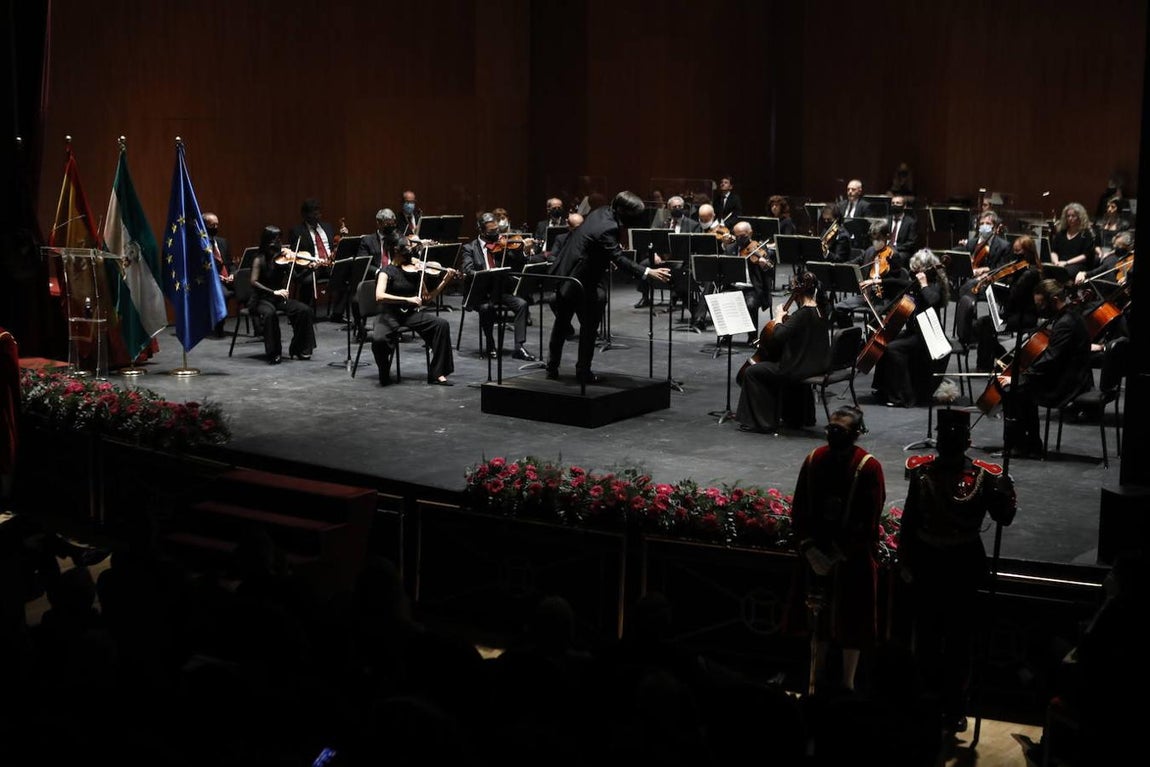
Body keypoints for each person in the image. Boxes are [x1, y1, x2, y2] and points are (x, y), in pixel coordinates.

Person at [898, 408, 1016, 733]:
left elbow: (1004, 517)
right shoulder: (922, 474)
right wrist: (905, 561)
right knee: (925, 640)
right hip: (927, 563)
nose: (949, 441)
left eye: (955, 436)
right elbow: (909, 522)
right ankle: (926, 700)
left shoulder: (984, 476)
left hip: (962, 564)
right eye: (945, 435)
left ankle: (954, 705)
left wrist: (1006, 495)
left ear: (966, 441)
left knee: (959, 643)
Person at [785, 405, 885, 694]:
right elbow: (800, 509)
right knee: (818, 620)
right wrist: (811, 550)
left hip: (851, 558)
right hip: (817, 553)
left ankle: (847, 685)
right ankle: (814, 683)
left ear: (855, 433)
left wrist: (836, 554)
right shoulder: (815, 459)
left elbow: (869, 519)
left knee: (852, 621)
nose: (832, 434)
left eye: (839, 431)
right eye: (830, 429)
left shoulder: (868, 467)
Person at [546, 191, 671, 383]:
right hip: (581, 280)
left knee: (561, 325)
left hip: (567, 273)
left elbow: (595, 245)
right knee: (588, 328)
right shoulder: (609, 226)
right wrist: (647, 272)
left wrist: (605, 256)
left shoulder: (601, 211)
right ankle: (583, 372)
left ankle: (551, 368)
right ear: (623, 210)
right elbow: (618, 257)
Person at [998, 278, 1093, 457]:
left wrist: (1020, 377)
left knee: (1013, 388)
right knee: (1021, 386)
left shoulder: (1066, 323)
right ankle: (1030, 443)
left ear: (1055, 300)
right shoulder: (1068, 315)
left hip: (1068, 383)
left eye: (1041, 304)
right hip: (1067, 373)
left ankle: (1023, 445)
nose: (1039, 309)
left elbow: (1051, 359)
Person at [735, 271, 829, 433]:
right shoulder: (820, 310)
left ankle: (762, 422)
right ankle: (798, 417)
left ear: (799, 290)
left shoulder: (802, 315)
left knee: (752, 372)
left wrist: (779, 317)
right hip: (817, 365)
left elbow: (778, 335)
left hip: (797, 368)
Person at [871, 249, 950, 408]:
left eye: (917, 269)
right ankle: (883, 389)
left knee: (893, 349)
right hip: (916, 331)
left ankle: (904, 397)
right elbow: (903, 284)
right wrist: (878, 282)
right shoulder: (921, 281)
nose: (914, 273)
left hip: (929, 336)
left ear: (927, 268)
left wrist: (923, 284)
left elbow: (932, 300)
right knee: (884, 342)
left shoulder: (935, 285)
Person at [370, 241, 456, 386]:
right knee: (379, 340)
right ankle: (384, 371)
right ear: (396, 251)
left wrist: (445, 281)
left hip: (409, 314)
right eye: (407, 250)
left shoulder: (416, 271)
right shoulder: (386, 271)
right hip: (388, 314)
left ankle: (438, 372)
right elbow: (379, 296)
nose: (411, 253)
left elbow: (427, 298)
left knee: (441, 325)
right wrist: (407, 299)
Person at [459, 212, 537, 361]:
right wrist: (485, 273)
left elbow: (518, 262)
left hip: (499, 290)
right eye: (491, 232)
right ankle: (490, 343)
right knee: (486, 308)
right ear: (481, 230)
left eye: (497, 230)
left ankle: (519, 347)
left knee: (522, 304)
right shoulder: (469, 248)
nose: (496, 234)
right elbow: (467, 270)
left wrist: (524, 250)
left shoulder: (503, 245)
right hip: (479, 293)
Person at [973, 234, 1042, 372]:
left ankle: (988, 364)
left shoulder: (1030, 273)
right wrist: (994, 280)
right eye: (1014, 251)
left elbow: (1013, 296)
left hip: (1025, 315)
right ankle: (1004, 359)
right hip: (1013, 311)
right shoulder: (1018, 269)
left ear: (1028, 252)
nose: (1015, 256)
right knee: (982, 324)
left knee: (986, 324)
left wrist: (998, 286)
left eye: (1019, 252)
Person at [248, 225, 316, 364]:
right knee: (270, 314)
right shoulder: (258, 259)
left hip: (279, 298)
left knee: (304, 310)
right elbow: (254, 282)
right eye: (276, 239)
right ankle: (274, 352)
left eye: (280, 239)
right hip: (261, 299)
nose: (279, 243)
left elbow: (296, 278)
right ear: (267, 241)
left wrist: (310, 269)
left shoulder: (283, 259)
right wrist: (274, 291)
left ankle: (299, 348)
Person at [635, 196, 698, 309]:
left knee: (678, 270)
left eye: (680, 206)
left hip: (682, 260)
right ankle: (645, 297)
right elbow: (652, 241)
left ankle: (674, 299)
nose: (677, 208)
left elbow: (694, 247)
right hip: (663, 257)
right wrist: (655, 254)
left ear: (684, 208)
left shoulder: (692, 225)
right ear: (669, 208)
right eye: (674, 207)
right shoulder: (663, 222)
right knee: (643, 265)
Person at [287, 198, 346, 313]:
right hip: (312, 267)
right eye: (314, 213)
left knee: (345, 278)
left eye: (318, 212)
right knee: (307, 281)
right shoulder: (297, 231)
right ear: (304, 215)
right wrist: (310, 264)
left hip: (329, 264)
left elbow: (334, 247)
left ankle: (338, 314)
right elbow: (295, 255)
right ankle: (303, 313)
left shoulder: (327, 227)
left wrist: (342, 239)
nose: (317, 216)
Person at [724, 220, 774, 336]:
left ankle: (752, 337)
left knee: (750, 304)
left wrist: (764, 265)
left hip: (752, 288)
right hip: (733, 286)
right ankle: (726, 336)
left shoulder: (759, 248)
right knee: (719, 301)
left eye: (743, 236)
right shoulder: (731, 249)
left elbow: (770, 269)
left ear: (750, 233)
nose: (740, 239)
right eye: (737, 236)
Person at [204, 212, 234, 337]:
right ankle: (218, 327)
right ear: (204, 226)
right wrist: (218, 277)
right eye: (212, 225)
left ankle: (259, 329)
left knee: (251, 288)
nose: (216, 228)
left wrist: (232, 274)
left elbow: (230, 263)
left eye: (217, 225)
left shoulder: (222, 242)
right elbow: (202, 269)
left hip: (228, 279)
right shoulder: (201, 245)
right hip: (212, 280)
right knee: (224, 294)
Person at [1050, 202, 1098, 280]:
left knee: (1063, 273)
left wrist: (1066, 263)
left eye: (1073, 216)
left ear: (1079, 217)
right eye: (1068, 216)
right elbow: (1054, 251)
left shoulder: (1086, 234)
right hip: (1060, 263)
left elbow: (1085, 256)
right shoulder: (1061, 233)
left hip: (1078, 265)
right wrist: (1056, 262)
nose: (1070, 218)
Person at [886, 195, 917, 260]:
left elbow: (911, 243)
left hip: (901, 251)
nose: (895, 205)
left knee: (895, 257)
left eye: (898, 203)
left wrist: (895, 248)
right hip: (886, 248)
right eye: (893, 203)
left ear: (904, 206)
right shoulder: (886, 220)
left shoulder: (910, 222)